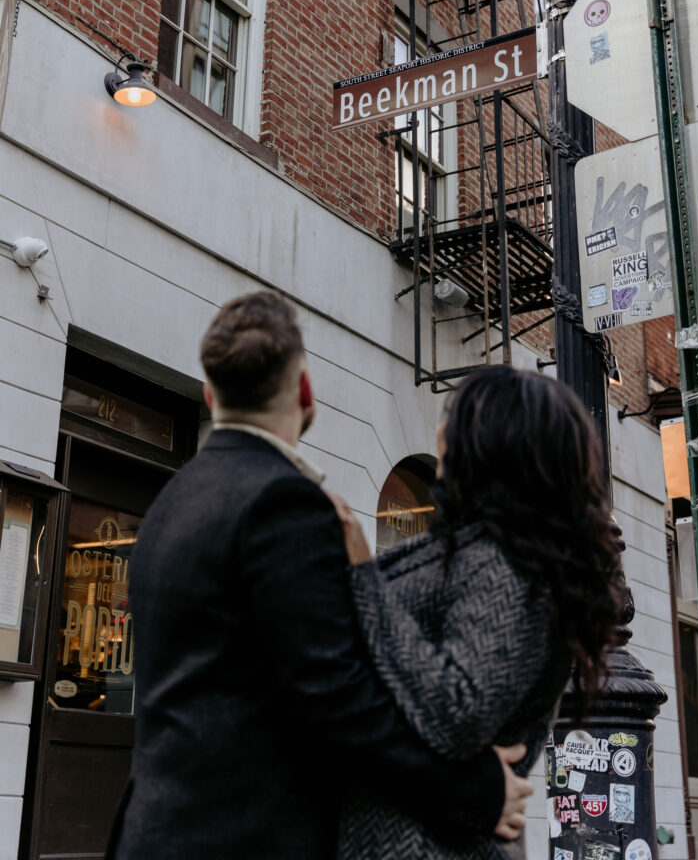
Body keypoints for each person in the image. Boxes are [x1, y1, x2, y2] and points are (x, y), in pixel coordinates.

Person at [105, 293, 533, 860]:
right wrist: (475, 787)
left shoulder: (168, 506)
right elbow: (338, 696)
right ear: (305, 392)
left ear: (211, 394)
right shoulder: (285, 503)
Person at [335, 365, 624, 859]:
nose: (443, 427)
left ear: (493, 442)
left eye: (456, 413)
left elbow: (456, 711)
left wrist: (363, 578)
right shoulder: (488, 552)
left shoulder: (508, 563)